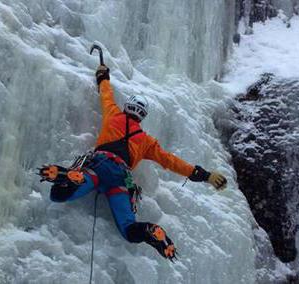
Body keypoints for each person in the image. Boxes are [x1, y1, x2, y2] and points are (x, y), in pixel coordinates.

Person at [38, 64, 228, 261]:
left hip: (99, 165)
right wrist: (205, 175)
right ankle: (148, 231)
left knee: (58, 194)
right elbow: (170, 161)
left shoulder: (113, 114)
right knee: (129, 229)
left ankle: (72, 178)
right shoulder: (146, 141)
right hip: (120, 178)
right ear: (142, 116)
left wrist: (103, 76)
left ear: (127, 107)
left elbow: (106, 95)